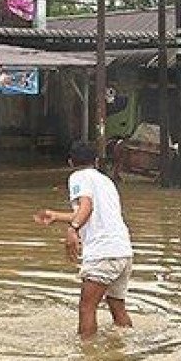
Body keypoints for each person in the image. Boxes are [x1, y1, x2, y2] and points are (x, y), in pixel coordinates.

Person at [34, 141, 134, 339]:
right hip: (123, 252)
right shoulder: (106, 181)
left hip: (103, 252)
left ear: (70, 162)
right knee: (117, 307)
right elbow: (89, 212)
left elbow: (86, 206)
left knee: (87, 307)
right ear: (96, 161)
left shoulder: (78, 177)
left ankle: (88, 357)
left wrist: (73, 229)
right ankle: (129, 346)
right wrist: (57, 216)